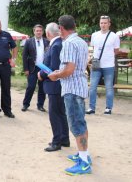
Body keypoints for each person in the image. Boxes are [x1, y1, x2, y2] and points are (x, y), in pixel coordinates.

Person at [49, 15, 92, 175]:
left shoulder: (68, 43)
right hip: (79, 86)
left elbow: (69, 70)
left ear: (61, 28)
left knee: (76, 125)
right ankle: (84, 155)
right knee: (81, 122)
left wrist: (56, 75)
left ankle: (84, 163)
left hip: (72, 89)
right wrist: (60, 72)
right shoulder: (80, 41)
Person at [38, 23, 69, 152]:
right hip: (57, 85)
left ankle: (57, 141)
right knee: (61, 112)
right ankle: (64, 138)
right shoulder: (58, 43)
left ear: (48, 33)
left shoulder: (56, 45)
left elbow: (54, 68)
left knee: (54, 113)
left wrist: (41, 74)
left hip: (54, 85)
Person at [86, 15, 120, 115]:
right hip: (96, 65)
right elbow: (92, 48)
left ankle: (108, 108)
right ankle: (91, 108)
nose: (103, 25)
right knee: (92, 87)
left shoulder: (114, 36)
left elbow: (116, 51)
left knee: (109, 87)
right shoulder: (94, 35)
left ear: (109, 24)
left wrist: (107, 57)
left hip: (109, 65)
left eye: (105, 23)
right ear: (99, 24)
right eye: (101, 23)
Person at [22, 24, 49, 112]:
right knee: (31, 86)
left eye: (40, 31)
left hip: (43, 68)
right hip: (32, 68)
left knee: (42, 88)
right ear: (34, 32)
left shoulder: (47, 42)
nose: (38, 32)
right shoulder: (29, 41)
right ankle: (25, 104)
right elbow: (24, 55)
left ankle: (40, 105)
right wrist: (26, 69)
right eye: (37, 31)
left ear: (43, 32)